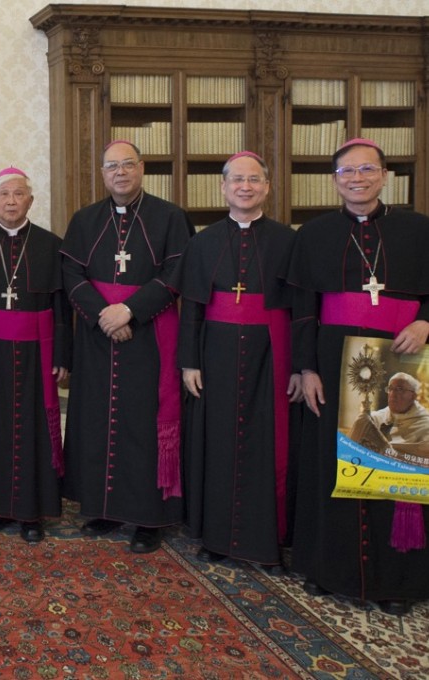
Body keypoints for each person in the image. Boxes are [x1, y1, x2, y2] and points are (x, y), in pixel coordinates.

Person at [289, 138, 429, 616]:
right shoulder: (313, 233)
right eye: (347, 172)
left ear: (385, 175)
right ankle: (330, 570)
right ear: (335, 181)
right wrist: (306, 368)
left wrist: (426, 321)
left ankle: (397, 579)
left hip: (404, 363)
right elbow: (303, 310)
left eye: (367, 170)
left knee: (395, 464)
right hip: (333, 363)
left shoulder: (418, 229)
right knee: (333, 467)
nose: (357, 179)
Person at [60, 140, 193, 554]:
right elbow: (70, 271)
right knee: (98, 420)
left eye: (128, 165)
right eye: (112, 166)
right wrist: (105, 315)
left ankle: (148, 518)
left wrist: (130, 312)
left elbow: (176, 273)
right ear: (103, 173)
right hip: (97, 337)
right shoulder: (85, 220)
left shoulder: (170, 217)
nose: (120, 173)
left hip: (149, 336)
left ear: (142, 168)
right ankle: (103, 508)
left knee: (143, 423)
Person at [178, 151, 302, 570]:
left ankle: (265, 539)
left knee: (266, 441)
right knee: (217, 440)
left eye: (254, 180)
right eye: (236, 180)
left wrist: (301, 366)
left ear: (267, 187)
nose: (245, 187)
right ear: (223, 188)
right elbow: (192, 307)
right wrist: (189, 362)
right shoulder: (202, 241)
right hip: (215, 353)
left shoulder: (288, 240)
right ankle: (217, 536)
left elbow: (302, 308)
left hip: (272, 353)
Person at [0, 167, 71, 544]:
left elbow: (61, 306)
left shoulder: (52, 246)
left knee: (33, 429)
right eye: (3, 194)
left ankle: (31, 513)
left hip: (37, 350)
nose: (10, 201)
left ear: (30, 201)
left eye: (18, 194)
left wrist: (62, 355)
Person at [365, 373, 429, 451]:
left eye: (400, 389)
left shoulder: (425, 426)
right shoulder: (373, 419)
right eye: (390, 389)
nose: (392, 394)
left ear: (413, 396)